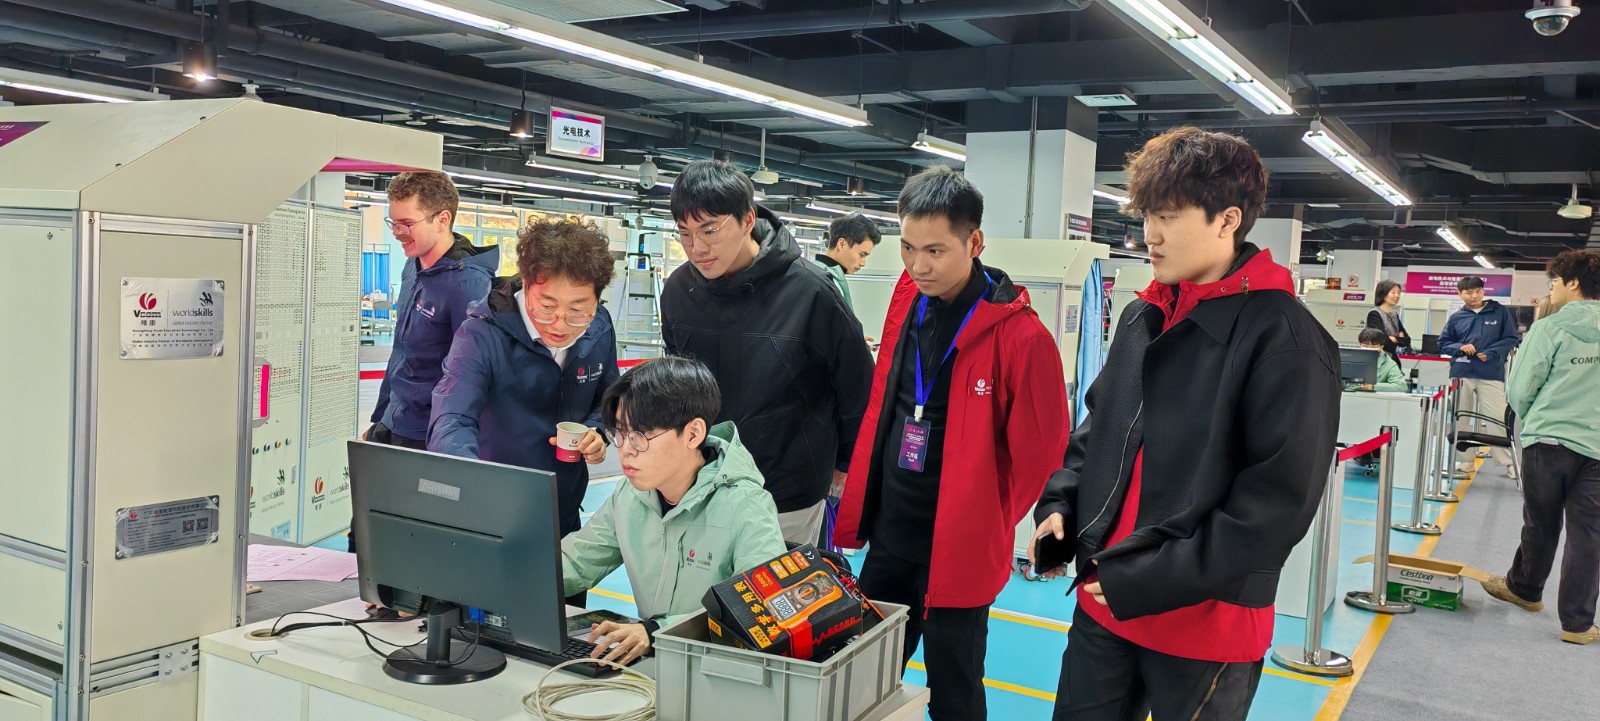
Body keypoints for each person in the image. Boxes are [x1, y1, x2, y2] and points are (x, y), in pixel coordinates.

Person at [1029, 127, 1340, 721]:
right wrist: (1061, 502)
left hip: (1206, 623)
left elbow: (1274, 507)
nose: (1151, 234)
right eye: (1148, 216)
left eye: (1168, 217)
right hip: (1106, 602)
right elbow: (1100, 428)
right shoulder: (1144, 315)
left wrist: (1152, 579)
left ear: (1228, 221)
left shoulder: (1286, 341)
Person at [832, 166, 1070, 721]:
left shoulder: (1021, 336)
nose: (919, 266)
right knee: (862, 676)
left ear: (975, 242)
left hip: (959, 549)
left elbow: (1043, 450)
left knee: (955, 689)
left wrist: (987, 515)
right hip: (891, 537)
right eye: (909, 248)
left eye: (935, 251)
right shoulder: (906, 302)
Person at [660, 160, 875, 546]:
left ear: (747, 220)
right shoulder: (679, 289)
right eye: (685, 234)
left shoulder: (812, 292)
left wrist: (845, 463)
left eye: (709, 230)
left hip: (787, 492)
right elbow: (677, 381)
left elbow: (858, 389)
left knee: (779, 585)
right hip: (702, 484)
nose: (697, 248)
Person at [428, 218, 619, 609]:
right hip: (492, 517)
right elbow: (451, 419)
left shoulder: (599, 327)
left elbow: (610, 397)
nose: (560, 324)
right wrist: (472, 482)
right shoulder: (482, 334)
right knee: (483, 631)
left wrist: (597, 431)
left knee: (562, 629)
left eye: (578, 310)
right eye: (546, 307)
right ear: (526, 285)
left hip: (563, 519)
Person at [560, 357, 788, 664]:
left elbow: (759, 608)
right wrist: (512, 576)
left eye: (640, 436)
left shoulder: (745, 505)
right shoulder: (630, 495)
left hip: (717, 669)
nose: (625, 450)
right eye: (620, 434)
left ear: (693, 434)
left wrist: (656, 631)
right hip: (655, 663)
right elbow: (577, 562)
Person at [1480, 249, 1600, 645]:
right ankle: (1577, 625)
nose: (1552, 289)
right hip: (1597, 448)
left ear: (1573, 283)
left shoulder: (1548, 329)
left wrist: (1537, 418)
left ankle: (1526, 590)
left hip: (1547, 441)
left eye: (1555, 282)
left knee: (1541, 523)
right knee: (1589, 535)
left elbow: (1519, 389)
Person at [366, 171, 499, 450]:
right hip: (394, 420)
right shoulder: (412, 267)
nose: (397, 232)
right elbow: (400, 352)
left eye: (406, 223)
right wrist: (381, 420)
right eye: (393, 222)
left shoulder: (468, 284)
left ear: (442, 220)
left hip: (429, 433)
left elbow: (474, 372)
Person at [1439, 276, 1521, 479]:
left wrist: (1491, 352)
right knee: (1461, 417)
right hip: (1461, 373)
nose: (1474, 296)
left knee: (1497, 418)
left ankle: (1508, 462)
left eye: (1478, 291)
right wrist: (1460, 347)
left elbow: (1511, 338)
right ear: (1460, 294)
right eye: (1469, 292)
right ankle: (1465, 460)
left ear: (1483, 291)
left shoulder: (1499, 312)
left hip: (1490, 373)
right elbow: (1443, 343)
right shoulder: (1457, 317)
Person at [813, 212, 881, 310]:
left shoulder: (827, 278)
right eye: (861, 255)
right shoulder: (823, 284)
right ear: (841, 244)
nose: (863, 263)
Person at [1365, 279, 1412, 363]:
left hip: (1393, 360)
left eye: (1398, 293)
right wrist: (1397, 341)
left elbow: (1407, 340)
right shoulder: (1374, 314)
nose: (1397, 296)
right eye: (1393, 292)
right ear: (1383, 294)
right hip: (1379, 361)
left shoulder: (1394, 315)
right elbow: (1382, 341)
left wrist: (1394, 339)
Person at [1358, 327, 1410, 392]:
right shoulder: (1352, 357)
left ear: (1381, 347)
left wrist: (1373, 386)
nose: (1369, 348)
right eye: (1365, 345)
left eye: (1374, 345)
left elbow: (1401, 386)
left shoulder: (1389, 364)